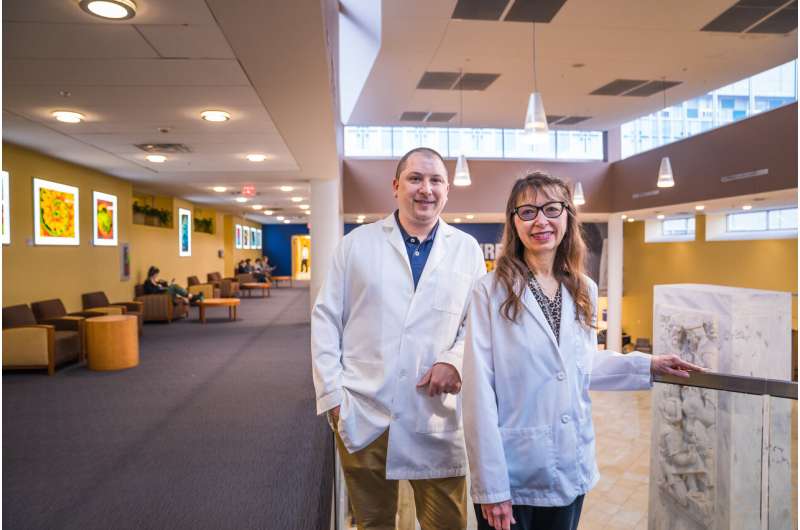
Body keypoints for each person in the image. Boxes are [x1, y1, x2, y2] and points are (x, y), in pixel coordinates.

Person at [461, 172, 702, 530]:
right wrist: (491, 486)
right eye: (527, 211)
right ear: (513, 221)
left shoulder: (582, 287)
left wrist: (647, 365)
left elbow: (582, 364)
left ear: (567, 216)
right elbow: (478, 392)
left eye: (551, 209)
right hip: (516, 471)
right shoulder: (490, 291)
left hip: (571, 463)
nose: (541, 220)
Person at [311, 147, 487, 529]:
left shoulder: (466, 249)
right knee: (373, 522)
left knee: (448, 523)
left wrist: (454, 361)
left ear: (447, 189)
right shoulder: (357, 244)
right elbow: (326, 319)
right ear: (396, 186)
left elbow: (475, 324)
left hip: (435, 415)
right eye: (415, 178)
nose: (426, 189)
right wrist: (333, 396)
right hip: (364, 407)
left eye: (436, 180)